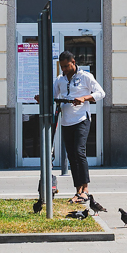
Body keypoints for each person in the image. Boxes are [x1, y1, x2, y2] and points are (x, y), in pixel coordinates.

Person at [51, 52, 105, 204]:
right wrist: (41, 98)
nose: (65, 70)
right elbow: (53, 96)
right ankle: (78, 191)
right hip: (66, 121)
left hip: (82, 119)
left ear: (73, 62)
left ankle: (86, 190)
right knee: (72, 156)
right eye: (62, 67)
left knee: (79, 152)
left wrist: (84, 98)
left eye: (67, 66)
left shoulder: (85, 77)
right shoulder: (59, 80)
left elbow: (101, 93)